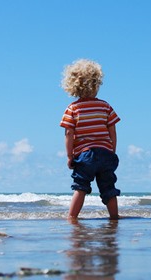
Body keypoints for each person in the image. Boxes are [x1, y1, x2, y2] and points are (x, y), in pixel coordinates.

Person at [60, 59, 121, 220]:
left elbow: (69, 134)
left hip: (85, 155)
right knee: (108, 188)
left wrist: (69, 155)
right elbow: (112, 130)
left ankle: (72, 217)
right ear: (96, 84)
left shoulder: (73, 109)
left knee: (80, 187)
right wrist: (112, 150)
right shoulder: (105, 106)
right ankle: (114, 217)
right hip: (106, 153)